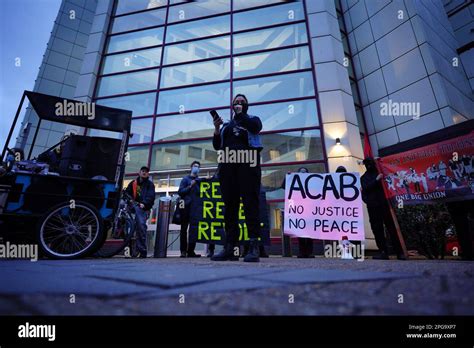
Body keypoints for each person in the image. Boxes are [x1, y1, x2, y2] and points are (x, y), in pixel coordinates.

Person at [211, 94, 263, 262]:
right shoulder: (227, 126)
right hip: (228, 165)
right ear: (232, 105)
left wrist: (241, 115)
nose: (239, 103)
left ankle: (253, 246)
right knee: (230, 207)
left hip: (248, 163)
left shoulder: (253, 119)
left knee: (250, 203)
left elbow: (255, 128)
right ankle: (230, 247)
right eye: (236, 102)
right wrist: (217, 129)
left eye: (242, 101)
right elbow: (217, 146)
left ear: (246, 105)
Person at [360, 157, 405, 260]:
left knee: (391, 228)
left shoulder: (381, 173)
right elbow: (366, 189)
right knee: (377, 229)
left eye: (370, 163)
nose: (369, 165)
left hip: (384, 204)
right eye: (367, 163)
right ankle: (383, 251)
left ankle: (399, 252)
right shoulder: (364, 178)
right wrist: (376, 180)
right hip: (373, 207)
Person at [281, 167, 314, 258]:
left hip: (310, 211)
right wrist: (288, 177)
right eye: (301, 173)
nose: (303, 174)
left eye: (304, 172)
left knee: (310, 233)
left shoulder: (312, 182)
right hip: (299, 211)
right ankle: (302, 252)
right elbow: (284, 186)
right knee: (301, 232)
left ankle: (309, 252)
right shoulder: (295, 182)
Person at [125, 166, 156, 258]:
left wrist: (144, 203)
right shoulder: (133, 183)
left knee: (141, 227)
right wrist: (129, 201)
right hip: (132, 208)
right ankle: (129, 251)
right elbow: (127, 193)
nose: (144, 173)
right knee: (129, 230)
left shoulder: (150, 185)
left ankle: (142, 251)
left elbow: (151, 197)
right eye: (143, 171)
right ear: (139, 172)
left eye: (146, 172)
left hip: (143, 209)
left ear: (148, 174)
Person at [177, 161, 203, 258]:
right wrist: (190, 186)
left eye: (198, 167)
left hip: (195, 208)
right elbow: (180, 192)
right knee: (184, 229)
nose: (196, 168)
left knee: (194, 230)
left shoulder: (199, 181)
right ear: (191, 167)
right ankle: (183, 251)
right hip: (186, 207)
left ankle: (191, 251)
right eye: (195, 166)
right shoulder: (185, 179)